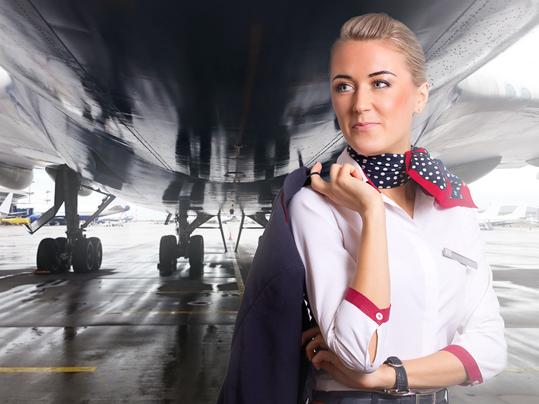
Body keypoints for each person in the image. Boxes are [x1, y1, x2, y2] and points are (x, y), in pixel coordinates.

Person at [289, 13, 507, 404]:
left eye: (381, 83)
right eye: (344, 86)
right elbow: (357, 353)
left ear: (420, 95)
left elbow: (490, 349)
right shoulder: (315, 205)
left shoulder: (452, 203)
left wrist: (389, 376)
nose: (360, 105)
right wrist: (371, 212)